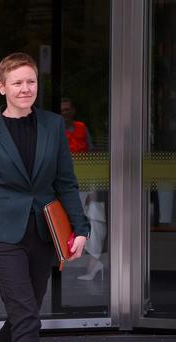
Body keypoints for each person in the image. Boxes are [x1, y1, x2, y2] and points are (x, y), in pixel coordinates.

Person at [0, 52, 90, 342]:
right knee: (26, 316)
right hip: (1, 237)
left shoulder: (53, 125)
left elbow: (66, 182)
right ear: (2, 87)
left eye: (30, 81)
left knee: (24, 314)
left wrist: (81, 229)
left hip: (43, 236)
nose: (25, 88)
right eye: (17, 82)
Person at [61, 97, 106, 281]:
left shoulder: (81, 128)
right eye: (62, 110)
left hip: (84, 181)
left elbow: (91, 152)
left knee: (88, 217)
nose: (65, 113)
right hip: (65, 182)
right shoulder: (56, 129)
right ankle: (69, 260)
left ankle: (92, 262)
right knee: (67, 220)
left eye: (67, 109)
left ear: (73, 111)